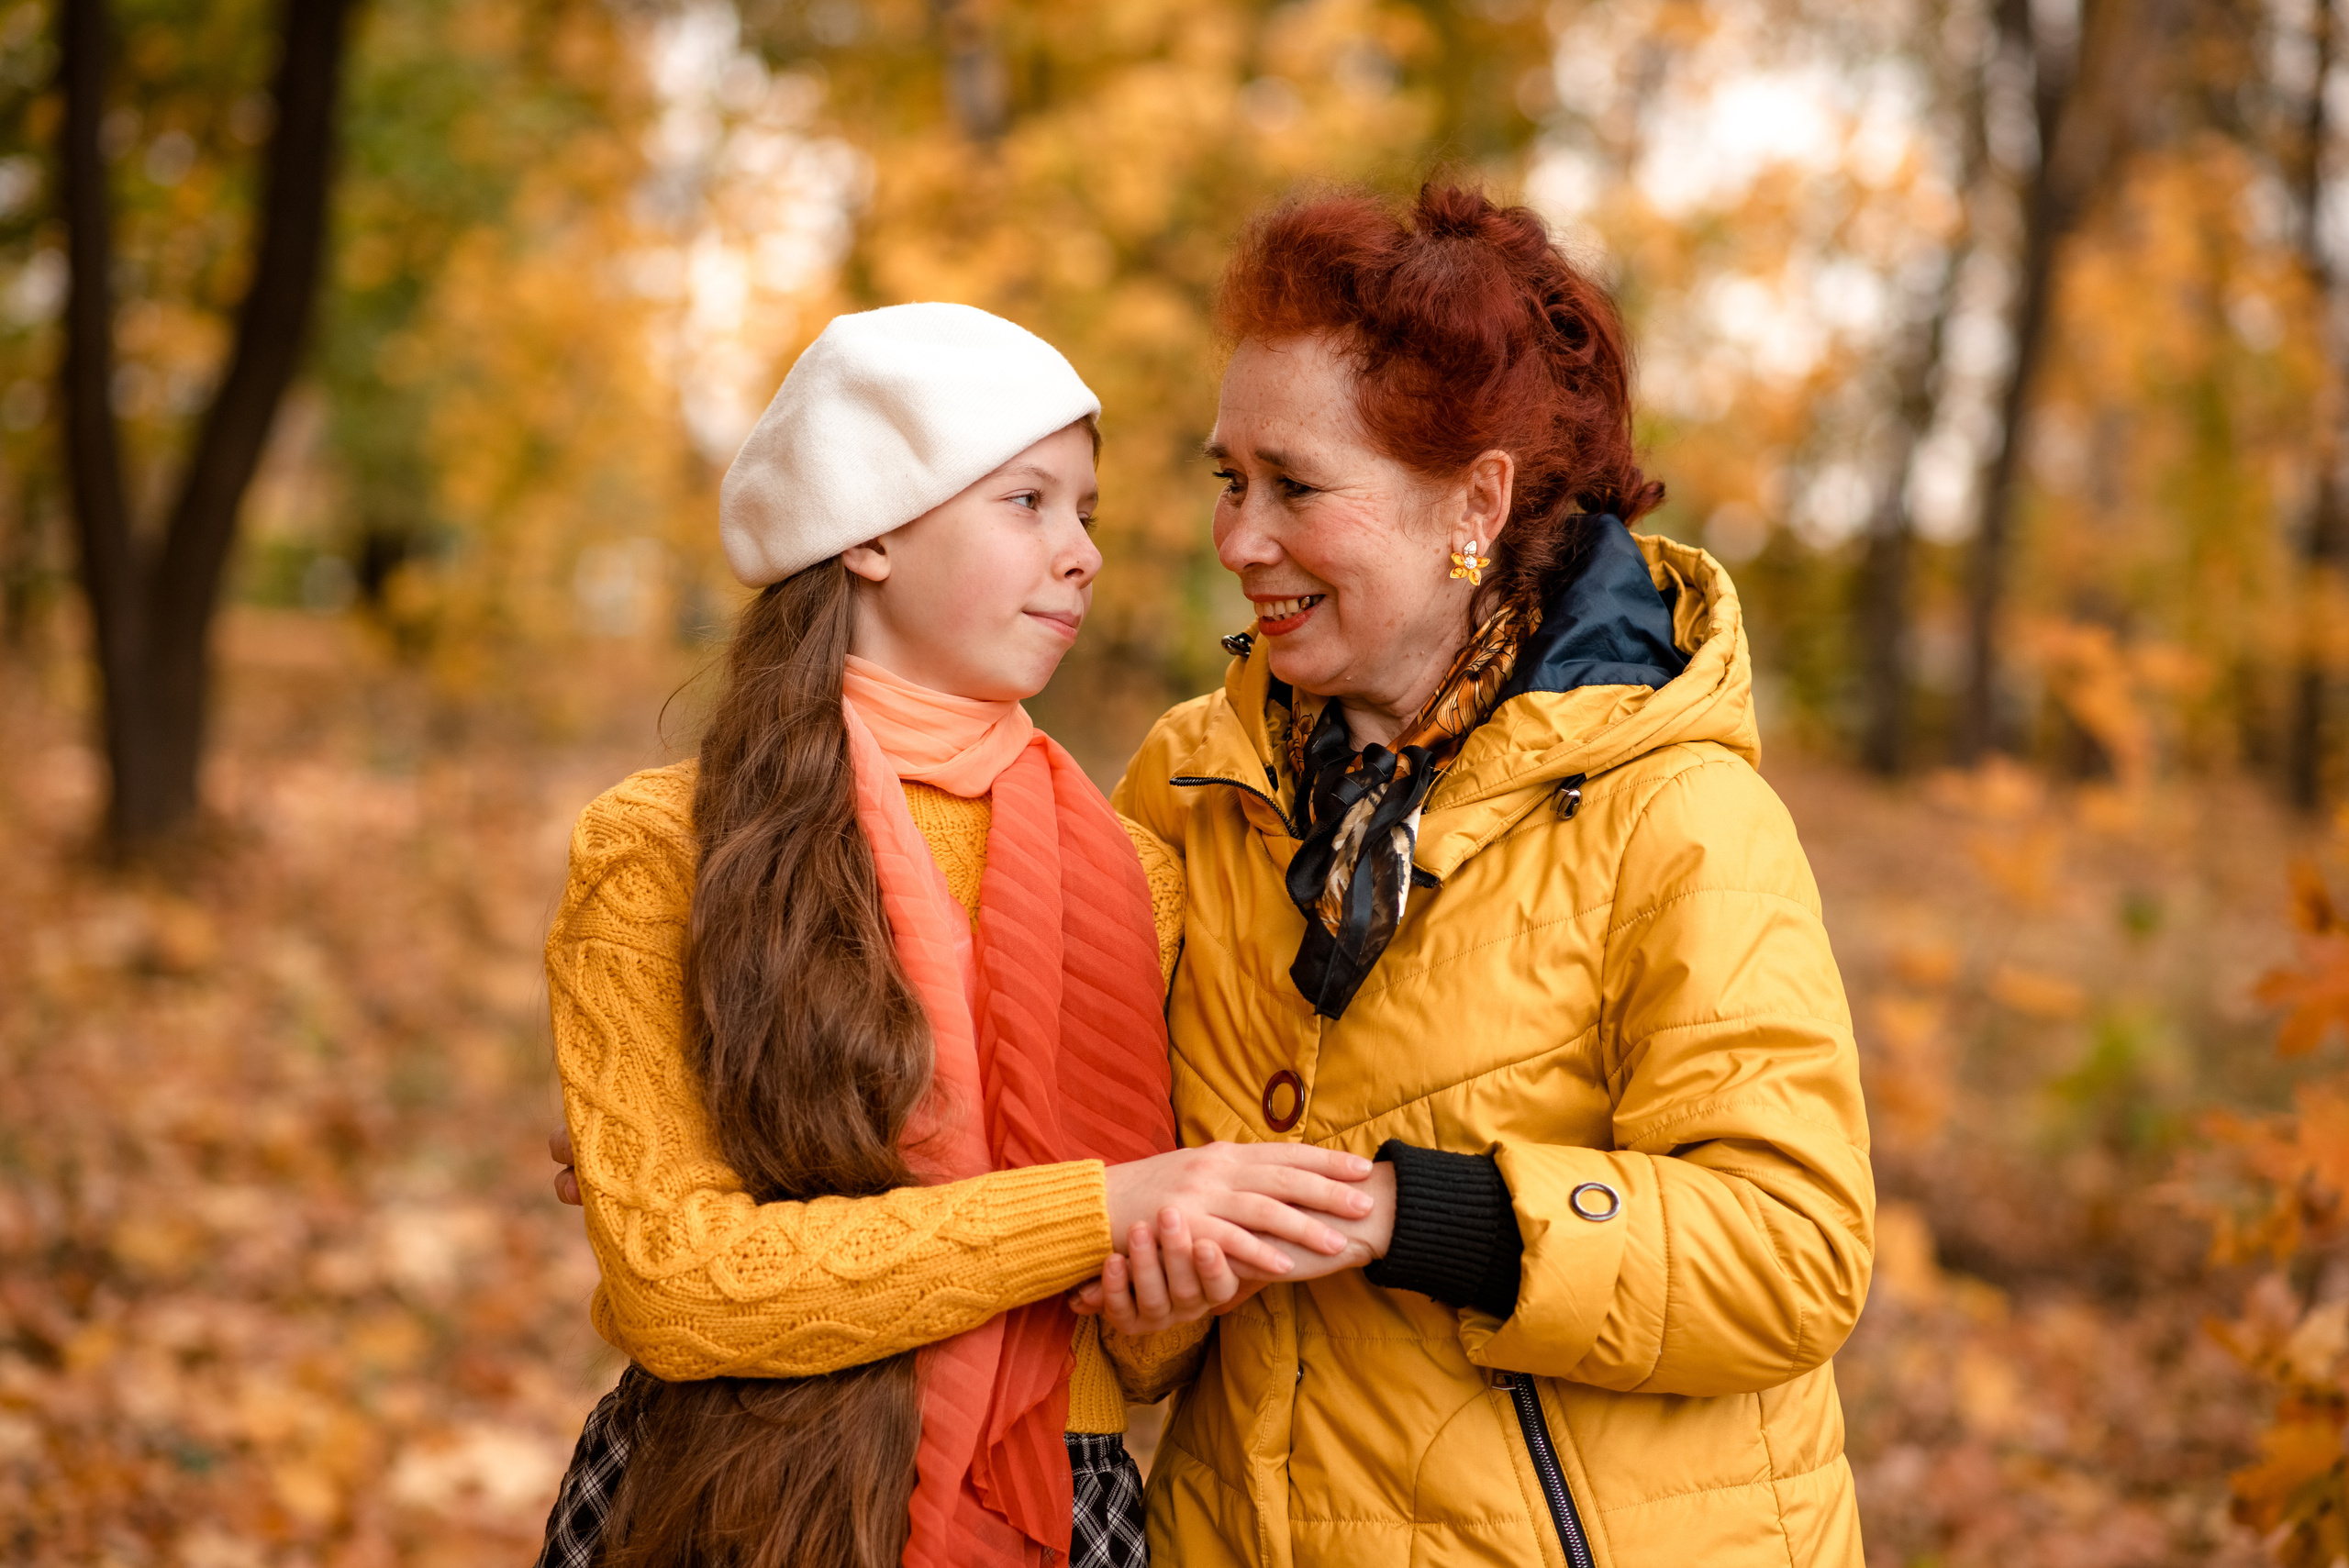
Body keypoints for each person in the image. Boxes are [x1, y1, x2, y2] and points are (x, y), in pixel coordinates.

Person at [1083, 183, 1876, 1566]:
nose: (1237, 540)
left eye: (1295, 486)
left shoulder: (1677, 813)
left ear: (1476, 501)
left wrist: (1416, 1214)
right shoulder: (1186, 788)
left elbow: (1793, 1249)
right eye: (1229, 479)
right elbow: (1077, 1180)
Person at [532, 302, 1377, 1568]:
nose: (1083, 552)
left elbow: (1134, 1354)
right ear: (868, 529)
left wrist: (1168, 1276)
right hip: (737, 1496)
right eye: (1028, 502)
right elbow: (681, 1285)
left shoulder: (1136, 878)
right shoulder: (664, 847)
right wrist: (1094, 1212)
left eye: (1085, 511)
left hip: (1056, 1496)